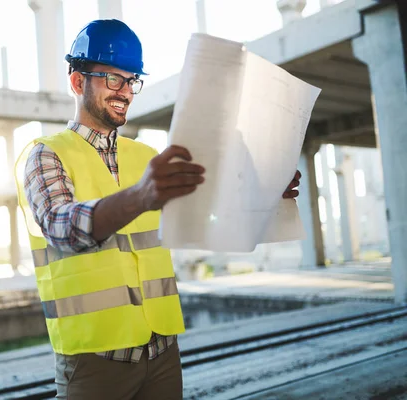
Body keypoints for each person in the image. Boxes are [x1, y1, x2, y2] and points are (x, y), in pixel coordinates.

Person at [15, 19, 302, 400]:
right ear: (77, 81)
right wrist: (141, 196)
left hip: (162, 353)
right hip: (94, 362)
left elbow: (211, 213)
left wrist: (265, 191)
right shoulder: (46, 154)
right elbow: (60, 227)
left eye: (131, 80)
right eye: (112, 78)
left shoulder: (148, 159)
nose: (125, 91)